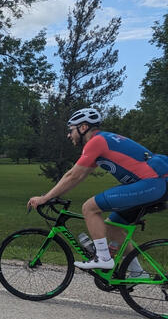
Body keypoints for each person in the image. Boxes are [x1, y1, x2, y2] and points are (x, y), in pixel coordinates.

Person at [27, 108, 168, 274]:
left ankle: (103, 258)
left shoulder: (97, 142)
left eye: (71, 130)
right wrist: (52, 195)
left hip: (152, 183)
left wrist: (45, 198)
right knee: (113, 226)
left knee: (89, 208)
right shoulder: (103, 141)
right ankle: (137, 272)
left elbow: (72, 175)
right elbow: (77, 177)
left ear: (84, 127)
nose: (69, 135)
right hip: (155, 184)